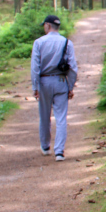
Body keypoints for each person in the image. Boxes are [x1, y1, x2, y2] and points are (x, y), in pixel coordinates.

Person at [31, 14, 78, 161]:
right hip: (61, 81)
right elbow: (73, 68)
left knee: (44, 116)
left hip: (44, 82)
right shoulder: (67, 43)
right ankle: (59, 151)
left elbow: (35, 68)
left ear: (47, 25)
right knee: (61, 117)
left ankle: (45, 147)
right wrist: (70, 86)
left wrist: (35, 86)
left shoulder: (38, 43)